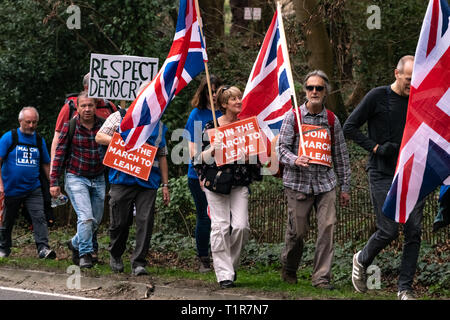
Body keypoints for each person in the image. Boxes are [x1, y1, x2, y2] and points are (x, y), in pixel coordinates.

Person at [343, 55, 425, 300]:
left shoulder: (419, 100)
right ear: (396, 74)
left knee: (414, 230)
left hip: (411, 173)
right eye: (409, 79)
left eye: (416, 79)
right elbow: (350, 127)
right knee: (388, 230)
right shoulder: (377, 96)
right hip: (382, 172)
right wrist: (376, 148)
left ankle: (404, 289)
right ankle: (362, 258)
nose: (413, 84)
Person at [278, 70, 351, 290]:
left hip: (325, 184)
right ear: (305, 90)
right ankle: (289, 266)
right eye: (311, 87)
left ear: (325, 91)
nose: (314, 91)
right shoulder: (294, 117)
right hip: (298, 183)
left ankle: (321, 278)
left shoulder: (331, 120)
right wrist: (295, 159)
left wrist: (345, 186)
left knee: (327, 227)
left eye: (319, 88)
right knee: (298, 232)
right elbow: (281, 148)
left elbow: (340, 154)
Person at [95, 83, 170, 276]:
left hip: (148, 182)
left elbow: (162, 155)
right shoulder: (119, 117)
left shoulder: (159, 124)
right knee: (120, 221)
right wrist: (121, 142)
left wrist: (165, 184)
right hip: (122, 179)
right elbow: (99, 136)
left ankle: (139, 262)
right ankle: (116, 253)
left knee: (145, 221)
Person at [194, 85, 262, 289]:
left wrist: (253, 156)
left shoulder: (246, 126)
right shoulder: (210, 126)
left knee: (241, 226)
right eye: (234, 99)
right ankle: (224, 274)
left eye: (240, 97)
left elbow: (255, 160)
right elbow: (198, 159)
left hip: (239, 183)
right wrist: (210, 151)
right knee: (220, 227)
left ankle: (230, 266)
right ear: (224, 104)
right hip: (216, 184)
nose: (239, 101)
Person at [50, 72, 117, 261]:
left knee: (94, 221)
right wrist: (53, 182)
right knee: (86, 218)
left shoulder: (105, 126)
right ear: (78, 108)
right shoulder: (70, 126)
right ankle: (85, 254)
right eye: (83, 106)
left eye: (90, 105)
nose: (87, 109)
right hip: (76, 176)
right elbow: (59, 154)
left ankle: (75, 243)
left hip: (98, 177)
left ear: (96, 106)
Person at [0, 107, 56, 259]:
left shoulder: (38, 140)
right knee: (7, 220)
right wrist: (1, 185)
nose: (31, 125)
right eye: (28, 122)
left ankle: (43, 248)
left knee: (39, 217)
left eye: (34, 122)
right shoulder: (9, 137)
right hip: (11, 189)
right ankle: (4, 248)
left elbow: (45, 163)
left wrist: (53, 182)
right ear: (20, 121)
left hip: (33, 188)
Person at [184, 75, 222, 273]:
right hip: (198, 174)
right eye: (210, 91)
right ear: (203, 93)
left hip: (224, 174)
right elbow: (193, 150)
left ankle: (221, 256)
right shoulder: (196, 115)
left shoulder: (226, 113)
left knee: (223, 217)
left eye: (216, 91)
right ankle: (203, 257)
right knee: (205, 216)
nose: (214, 95)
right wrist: (200, 174)